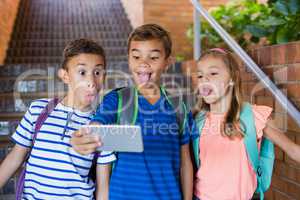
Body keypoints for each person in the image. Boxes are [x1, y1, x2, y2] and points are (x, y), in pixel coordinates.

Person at [71, 24, 195, 200]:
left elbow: (185, 163)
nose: (143, 63)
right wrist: (86, 135)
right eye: (136, 56)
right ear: (129, 59)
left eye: (153, 57)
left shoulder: (179, 107)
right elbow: (98, 123)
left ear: (167, 62)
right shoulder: (116, 99)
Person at [0, 38, 116, 199]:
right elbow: (15, 158)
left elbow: (103, 187)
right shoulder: (38, 110)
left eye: (97, 72)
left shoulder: (101, 126)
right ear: (65, 75)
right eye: (82, 72)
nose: (91, 82)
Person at [192, 48, 300, 200]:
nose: (204, 80)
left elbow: (293, 150)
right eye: (200, 75)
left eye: (213, 73)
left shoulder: (253, 117)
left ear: (232, 78)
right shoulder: (197, 121)